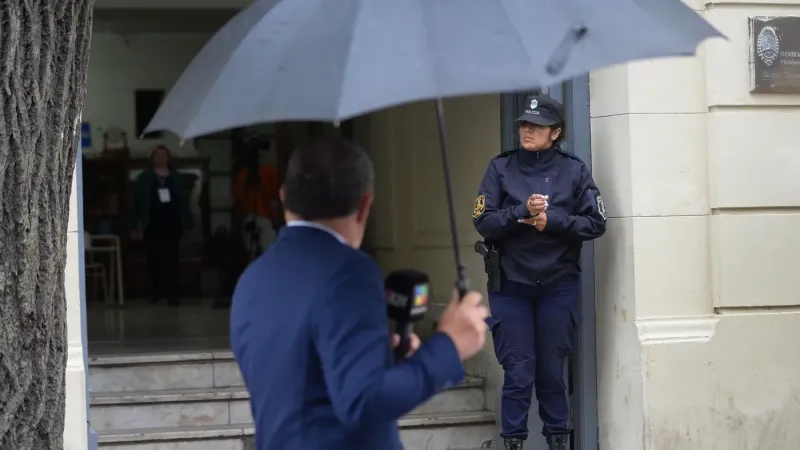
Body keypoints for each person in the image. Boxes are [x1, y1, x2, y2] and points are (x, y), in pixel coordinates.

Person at [230, 136, 489, 450]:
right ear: (365, 205)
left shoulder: (252, 278)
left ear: (284, 195)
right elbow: (363, 401)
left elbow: (305, 382)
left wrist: (382, 360)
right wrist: (450, 345)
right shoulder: (349, 272)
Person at [472, 94, 607, 450]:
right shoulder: (501, 168)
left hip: (557, 284)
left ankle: (558, 440)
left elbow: (596, 222)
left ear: (556, 132)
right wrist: (520, 212)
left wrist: (553, 221)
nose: (527, 130)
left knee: (551, 371)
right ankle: (513, 441)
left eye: (537, 125)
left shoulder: (573, 170)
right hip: (510, 284)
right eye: (524, 124)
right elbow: (483, 220)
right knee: (518, 371)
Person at [131, 145, 194, 306]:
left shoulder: (176, 177)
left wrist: (189, 222)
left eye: (164, 155)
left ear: (168, 158)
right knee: (153, 258)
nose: (161, 158)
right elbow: (136, 202)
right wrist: (134, 225)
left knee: (172, 259)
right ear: (153, 158)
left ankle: (172, 292)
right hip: (152, 222)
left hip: (172, 223)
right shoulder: (145, 177)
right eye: (158, 155)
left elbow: (184, 201)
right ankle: (156, 291)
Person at [232, 138, 280, 258]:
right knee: (270, 256)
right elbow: (277, 195)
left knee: (251, 256)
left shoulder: (242, 175)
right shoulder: (269, 171)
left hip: (248, 219)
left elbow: (237, 201)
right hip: (265, 216)